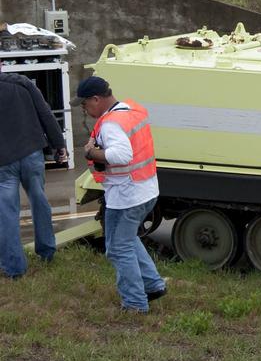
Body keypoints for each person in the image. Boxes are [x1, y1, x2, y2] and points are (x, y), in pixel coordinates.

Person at [75, 75, 166, 312]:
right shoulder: (132, 109)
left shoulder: (111, 124)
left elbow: (121, 155)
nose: (84, 109)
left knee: (119, 248)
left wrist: (92, 153)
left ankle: (135, 303)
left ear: (96, 99)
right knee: (126, 241)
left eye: (85, 104)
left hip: (127, 196)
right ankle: (153, 285)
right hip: (144, 190)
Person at [0, 72, 69, 277]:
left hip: (3, 161)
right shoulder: (23, 84)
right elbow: (45, 113)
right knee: (39, 200)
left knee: (6, 214)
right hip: (32, 152)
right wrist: (59, 144)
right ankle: (47, 252)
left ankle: (14, 269)